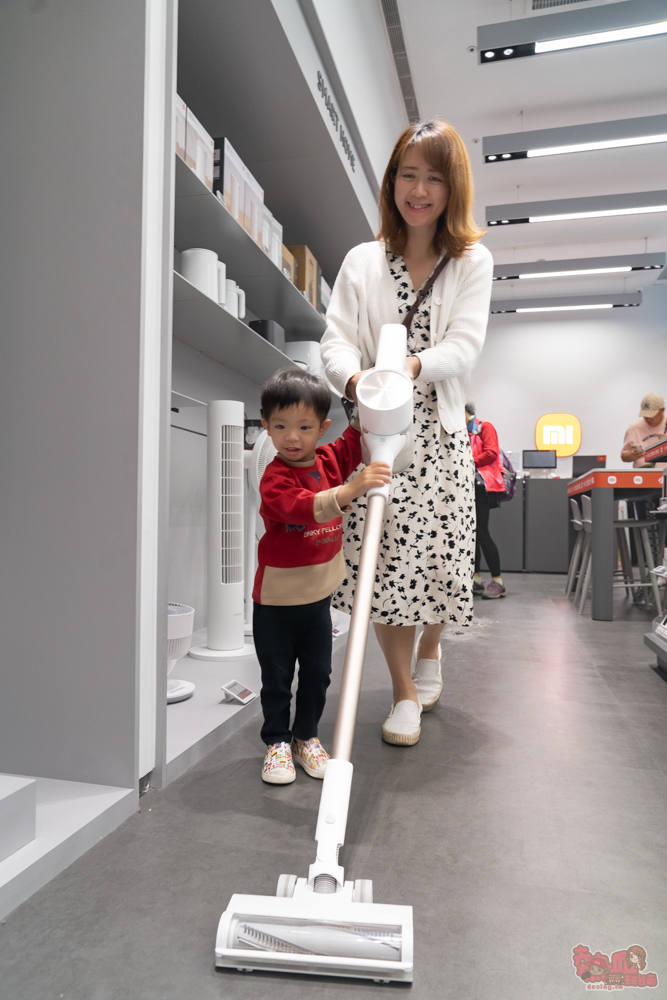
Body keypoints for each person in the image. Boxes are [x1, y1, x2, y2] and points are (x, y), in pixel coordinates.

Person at [320, 118, 493, 746]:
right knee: (384, 567)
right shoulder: (362, 261)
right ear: (391, 181)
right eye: (408, 175)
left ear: (453, 189)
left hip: (439, 440)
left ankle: (431, 647)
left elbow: (464, 345)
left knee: (442, 561)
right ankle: (403, 692)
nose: (418, 191)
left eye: (434, 179)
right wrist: (358, 380)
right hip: (378, 441)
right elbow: (335, 340)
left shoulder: (471, 261)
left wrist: (410, 367)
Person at [253, 368, 391, 785]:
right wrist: (349, 491)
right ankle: (277, 742)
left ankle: (305, 737)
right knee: (277, 679)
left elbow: (357, 436)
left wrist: (371, 394)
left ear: (322, 427)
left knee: (318, 675)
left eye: (304, 427)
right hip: (276, 603)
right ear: (266, 426)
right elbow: (301, 506)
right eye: (280, 426)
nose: (291, 437)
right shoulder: (274, 478)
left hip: (318, 599)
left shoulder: (331, 459)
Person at [465, 402, 506, 599]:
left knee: (482, 533)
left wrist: (465, 463)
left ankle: (498, 582)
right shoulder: (461, 431)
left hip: (481, 487)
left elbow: (491, 453)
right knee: (471, 535)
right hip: (465, 487)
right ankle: (476, 580)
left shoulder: (484, 427)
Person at [621, 393, 666, 468]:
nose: (648, 419)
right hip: (642, 474)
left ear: (662, 410)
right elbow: (624, 456)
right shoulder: (634, 428)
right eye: (645, 415)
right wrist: (631, 456)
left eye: (652, 415)